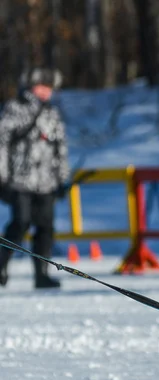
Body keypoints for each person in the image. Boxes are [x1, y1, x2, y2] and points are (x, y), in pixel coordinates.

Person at [0, 67, 69, 289]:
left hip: (46, 182)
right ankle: (1, 265)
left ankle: (42, 274)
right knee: (20, 222)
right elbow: (2, 143)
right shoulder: (15, 109)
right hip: (20, 179)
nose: (46, 91)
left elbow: (60, 148)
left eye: (49, 87)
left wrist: (61, 179)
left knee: (45, 227)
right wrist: (2, 177)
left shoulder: (52, 113)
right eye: (41, 86)